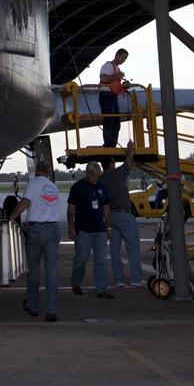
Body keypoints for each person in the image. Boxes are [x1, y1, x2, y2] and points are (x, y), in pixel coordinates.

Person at [8, 160, 62, 321]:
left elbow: (25, 202)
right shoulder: (53, 187)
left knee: (34, 270)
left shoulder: (33, 182)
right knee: (52, 271)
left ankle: (33, 305)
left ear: (37, 171)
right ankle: (52, 310)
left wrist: (11, 217)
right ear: (48, 172)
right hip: (53, 229)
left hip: (37, 230)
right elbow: (47, 208)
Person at [67, 161, 113, 299]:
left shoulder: (102, 187)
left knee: (101, 260)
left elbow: (106, 207)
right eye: (94, 176)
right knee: (81, 258)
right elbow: (71, 209)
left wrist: (108, 226)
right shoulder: (77, 187)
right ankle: (76, 283)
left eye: (98, 176)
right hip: (83, 231)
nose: (96, 179)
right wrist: (71, 227)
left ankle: (101, 289)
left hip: (100, 230)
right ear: (87, 173)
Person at [101, 144, 144, 288]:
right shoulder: (117, 173)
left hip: (111, 216)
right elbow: (129, 163)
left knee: (114, 250)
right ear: (112, 163)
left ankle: (119, 279)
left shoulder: (101, 179)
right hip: (125, 215)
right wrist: (130, 149)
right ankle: (136, 279)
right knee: (132, 247)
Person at [98, 49, 130, 148]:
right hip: (106, 95)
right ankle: (108, 144)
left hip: (112, 96)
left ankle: (112, 144)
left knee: (116, 122)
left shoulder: (116, 68)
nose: (124, 60)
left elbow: (115, 84)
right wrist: (117, 76)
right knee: (109, 120)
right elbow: (103, 79)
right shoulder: (108, 66)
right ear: (117, 55)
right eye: (123, 58)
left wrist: (125, 86)